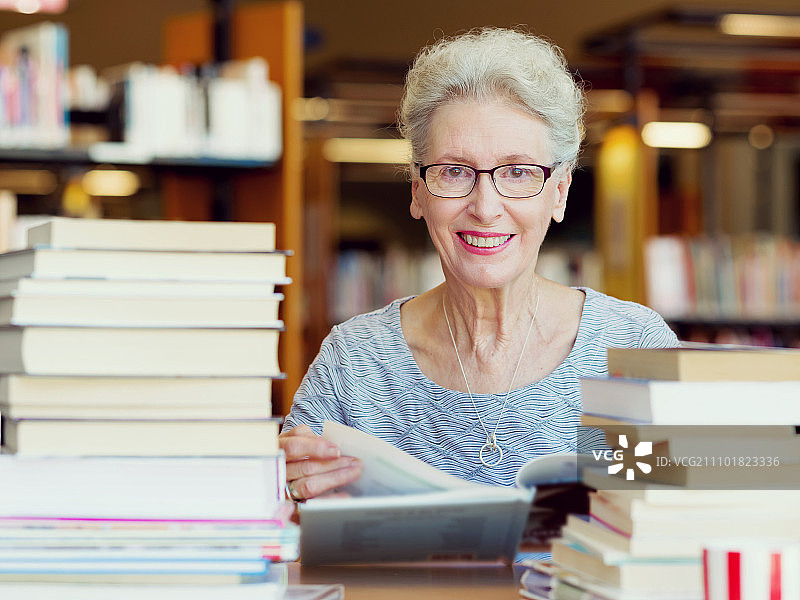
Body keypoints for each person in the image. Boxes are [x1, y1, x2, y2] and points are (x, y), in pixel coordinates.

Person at [280, 27, 679, 501]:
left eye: (518, 172)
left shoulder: (633, 348)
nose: (486, 207)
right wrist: (286, 487)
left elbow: (691, 519)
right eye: (454, 171)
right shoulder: (354, 362)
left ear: (559, 193)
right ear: (418, 192)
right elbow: (285, 515)